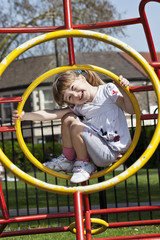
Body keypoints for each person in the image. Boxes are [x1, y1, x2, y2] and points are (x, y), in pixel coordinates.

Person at [12, 70, 135, 184]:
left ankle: (84, 165)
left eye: (73, 88)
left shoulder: (108, 90)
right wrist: (24, 116)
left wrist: (124, 90)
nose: (75, 95)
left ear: (82, 78)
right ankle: (68, 159)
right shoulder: (79, 107)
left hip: (111, 150)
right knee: (67, 118)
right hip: (96, 149)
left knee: (77, 127)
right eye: (70, 97)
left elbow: (131, 110)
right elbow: (51, 114)